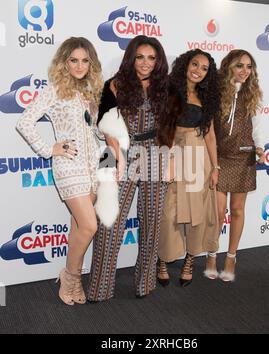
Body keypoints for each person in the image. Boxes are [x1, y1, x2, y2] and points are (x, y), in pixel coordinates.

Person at [16, 37, 104, 305]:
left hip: (91, 167)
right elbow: (24, 122)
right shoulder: (55, 90)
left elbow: (97, 132)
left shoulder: (90, 91)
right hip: (68, 165)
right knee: (90, 225)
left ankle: (72, 279)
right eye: (73, 60)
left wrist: (96, 113)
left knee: (79, 226)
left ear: (91, 63)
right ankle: (70, 278)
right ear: (64, 62)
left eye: (84, 60)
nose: (79, 66)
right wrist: (49, 148)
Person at [87, 35, 169, 301]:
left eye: (151, 58)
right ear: (131, 57)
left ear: (158, 61)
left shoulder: (164, 87)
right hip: (117, 152)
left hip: (155, 151)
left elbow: (171, 126)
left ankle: (145, 284)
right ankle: (100, 288)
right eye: (140, 57)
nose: (145, 63)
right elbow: (102, 123)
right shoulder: (114, 84)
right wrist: (115, 153)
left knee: (152, 220)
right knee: (109, 220)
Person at [156, 49, 221, 287]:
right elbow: (163, 129)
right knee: (168, 213)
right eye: (195, 64)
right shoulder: (168, 92)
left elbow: (211, 135)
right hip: (174, 154)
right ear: (186, 64)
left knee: (198, 213)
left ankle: (190, 260)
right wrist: (169, 159)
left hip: (199, 159)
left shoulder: (207, 98)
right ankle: (162, 260)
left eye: (204, 69)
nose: (198, 71)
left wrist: (215, 167)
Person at [215, 49, 265, 282]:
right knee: (217, 212)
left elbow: (258, 126)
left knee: (237, 210)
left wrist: (261, 147)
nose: (245, 71)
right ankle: (212, 254)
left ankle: (231, 257)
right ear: (229, 68)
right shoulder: (216, 92)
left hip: (243, 157)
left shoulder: (252, 93)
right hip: (220, 157)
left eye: (249, 66)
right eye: (239, 66)